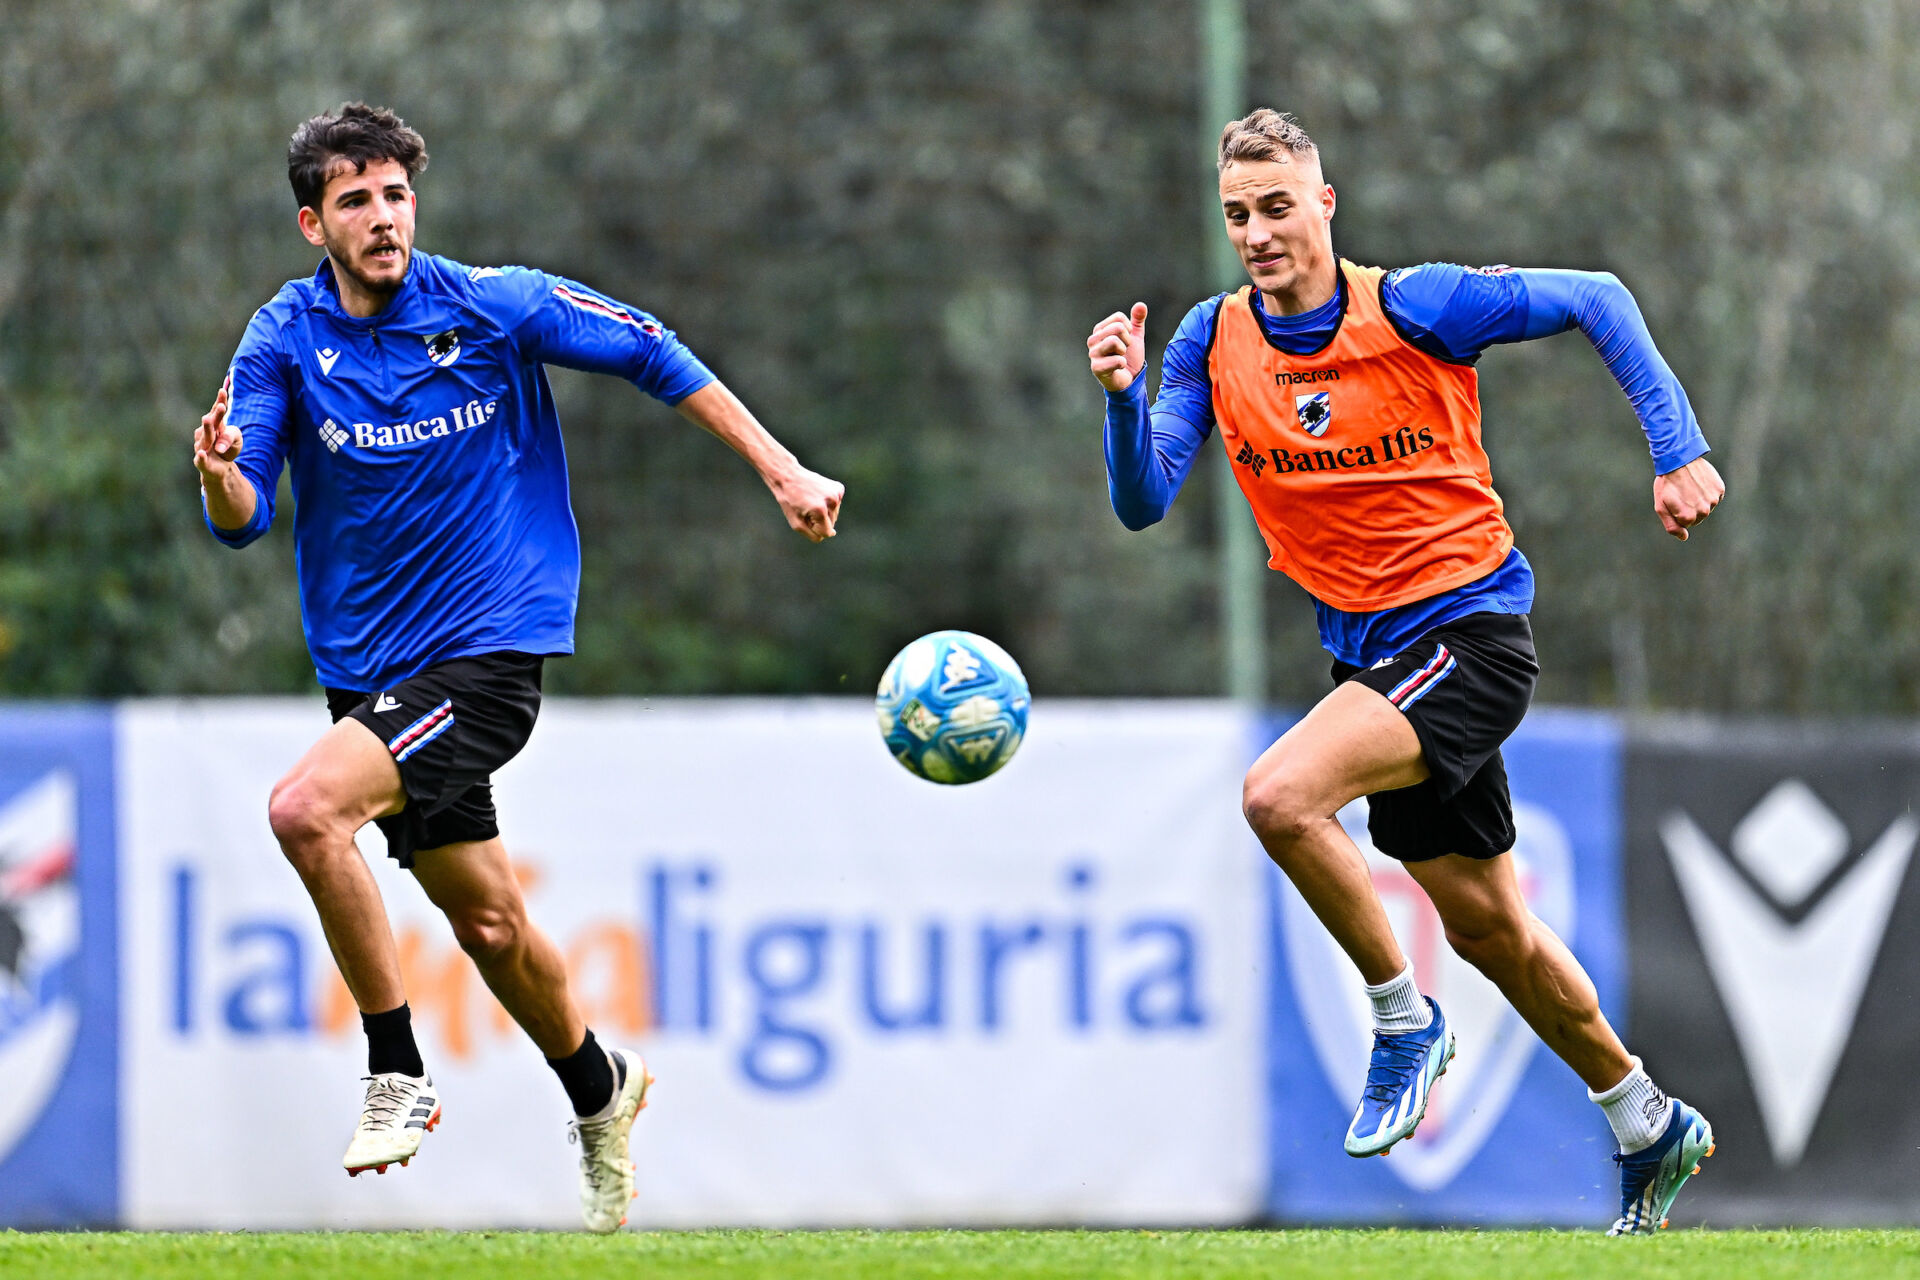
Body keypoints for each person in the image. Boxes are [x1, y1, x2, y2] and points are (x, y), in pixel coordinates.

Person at [193, 103, 844, 1232]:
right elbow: (243, 515)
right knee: (488, 924)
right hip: (371, 675)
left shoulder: (490, 304)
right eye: (356, 200)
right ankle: (600, 1085)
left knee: (305, 810)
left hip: (490, 653)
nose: (383, 217)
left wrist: (782, 470)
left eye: (396, 193)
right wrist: (216, 475)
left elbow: (648, 344)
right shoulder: (282, 339)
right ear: (314, 222)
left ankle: (395, 1063)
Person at [1087, 109, 1722, 1235]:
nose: (1259, 233)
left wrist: (1676, 451)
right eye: (1238, 215)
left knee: (1279, 795)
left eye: (1279, 207)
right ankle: (1645, 1117)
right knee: (1491, 929)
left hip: (1470, 638)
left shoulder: (1417, 303)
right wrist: (1126, 400)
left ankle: (1401, 1019)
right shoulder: (1208, 339)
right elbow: (1144, 500)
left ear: (1324, 203)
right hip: (1374, 656)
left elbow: (1599, 298)